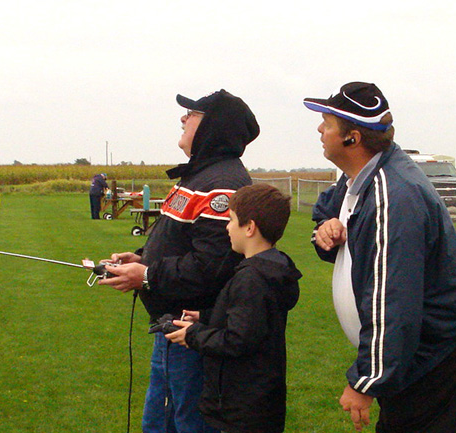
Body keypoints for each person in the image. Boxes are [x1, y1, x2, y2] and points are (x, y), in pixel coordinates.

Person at [99, 89, 260, 433]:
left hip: (193, 333)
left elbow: (212, 267)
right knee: (160, 423)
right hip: (171, 330)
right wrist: (140, 258)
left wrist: (146, 275)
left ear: (213, 128)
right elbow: (182, 244)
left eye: (193, 114)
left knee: (188, 423)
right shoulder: (199, 177)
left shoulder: (222, 186)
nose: (184, 119)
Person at [304, 81, 456, 432]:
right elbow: (325, 212)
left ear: (352, 138)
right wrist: (325, 228)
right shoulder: (354, 180)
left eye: (327, 123)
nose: (319, 129)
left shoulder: (394, 196)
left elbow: (393, 300)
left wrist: (368, 380)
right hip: (411, 363)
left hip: (428, 366)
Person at [165, 183, 301, 433]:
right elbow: (253, 321)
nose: (226, 227)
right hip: (259, 400)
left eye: (231, 220)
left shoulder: (252, 278)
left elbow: (237, 340)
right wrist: (205, 317)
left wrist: (192, 335)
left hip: (244, 406)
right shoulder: (270, 269)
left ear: (249, 227)